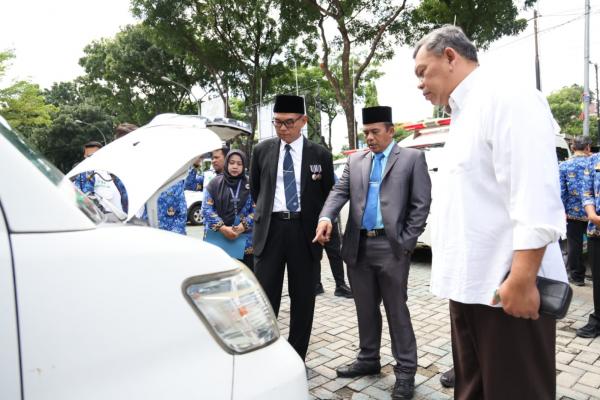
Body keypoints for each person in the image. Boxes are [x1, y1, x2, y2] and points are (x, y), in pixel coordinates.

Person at [414, 25, 567, 399]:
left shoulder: (507, 97)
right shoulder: (464, 113)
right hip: (470, 287)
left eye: (422, 71)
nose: (420, 84)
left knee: (516, 392)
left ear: (450, 56)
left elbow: (534, 195)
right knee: (473, 391)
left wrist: (522, 278)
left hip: (507, 290)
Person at [314, 106, 431, 400]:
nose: (369, 137)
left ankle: (405, 372)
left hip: (392, 248)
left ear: (391, 131)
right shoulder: (355, 161)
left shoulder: (412, 158)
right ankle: (368, 359)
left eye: (375, 131)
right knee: (365, 309)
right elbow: (338, 193)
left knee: (396, 310)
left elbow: (421, 203)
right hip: (358, 247)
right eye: (366, 132)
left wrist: (407, 242)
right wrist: (326, 217)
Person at [250, 94, 334, 360]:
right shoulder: (261, 151)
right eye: (277, 123)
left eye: (288, 123)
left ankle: (297, 356)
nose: (282, 129)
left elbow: (328, 195)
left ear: (303, 121)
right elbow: (257, 191)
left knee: (303, 299)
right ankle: (265, 354)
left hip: (305, 233)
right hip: (271, 231)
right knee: (265, 298)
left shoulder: (319, 154)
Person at [114, 122, 188, 234]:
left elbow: (181, 214)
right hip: (134, 241)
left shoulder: (169, 173)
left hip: (169, 242)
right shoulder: (118, 181)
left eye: (135, 144)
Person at [202, 150, 255, 269]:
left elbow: (257, 209)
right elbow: (206, 209)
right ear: (227, 164)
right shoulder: (215, 183)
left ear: (244, 165)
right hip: (219, 239)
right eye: (232, 163)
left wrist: (243, 226)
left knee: (244, 277)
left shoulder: (250, 184)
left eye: (239, 163)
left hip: (245, 242)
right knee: (221, 276)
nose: (235, 166)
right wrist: (223, 228)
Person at [559, 136, 591, 286]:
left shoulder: (564, 166)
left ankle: (577, 278)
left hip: (572, 214)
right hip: (594, 214)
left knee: (574, 245)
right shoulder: (594, 163)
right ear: (588, 148)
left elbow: (561, 192)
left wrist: (562, 210)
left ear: (572, 148)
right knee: (594, 245)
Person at [579, 152, 600, 338]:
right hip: (597, 230)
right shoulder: (593, 160)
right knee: (598, 279)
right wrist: (592, 215)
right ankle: (598, 320)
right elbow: (587, 193)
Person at [315, 218, 353, 298]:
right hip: (313, 223)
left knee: (336, 254)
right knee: (315, 254)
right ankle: (316, 285)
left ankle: (340, 286)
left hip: (331, 222)